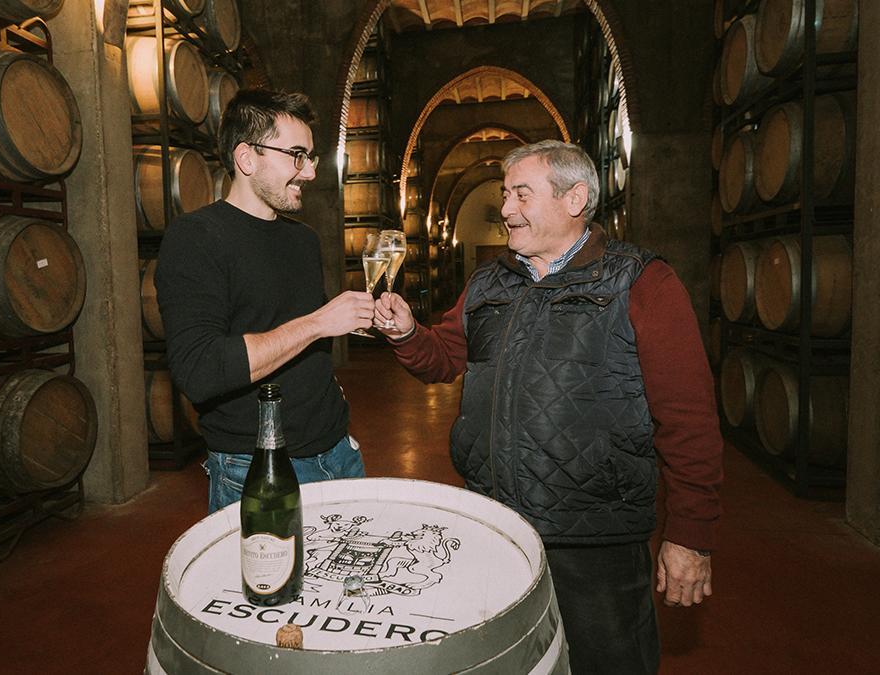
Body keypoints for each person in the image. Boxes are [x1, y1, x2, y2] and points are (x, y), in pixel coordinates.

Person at [373, 140, 723, 674]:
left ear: (574, 198)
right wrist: (405, 332)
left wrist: (690, 535)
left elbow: (689, 418)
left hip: (594, 540)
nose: (507, 209)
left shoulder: (641, 281)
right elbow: (443, 359)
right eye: (505, 194)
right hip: (496, 528)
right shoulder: (490, 281)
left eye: (521, 194)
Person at [155, 89, 375, 513]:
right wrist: (317, 323)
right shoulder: (196, 239)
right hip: (257, 468)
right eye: (296, 155)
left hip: (339, 452)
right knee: (276, 582)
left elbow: (309, 353)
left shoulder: (303, 240)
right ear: (247, 158)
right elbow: (200, 369)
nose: (309, 172)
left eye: (310, 157)